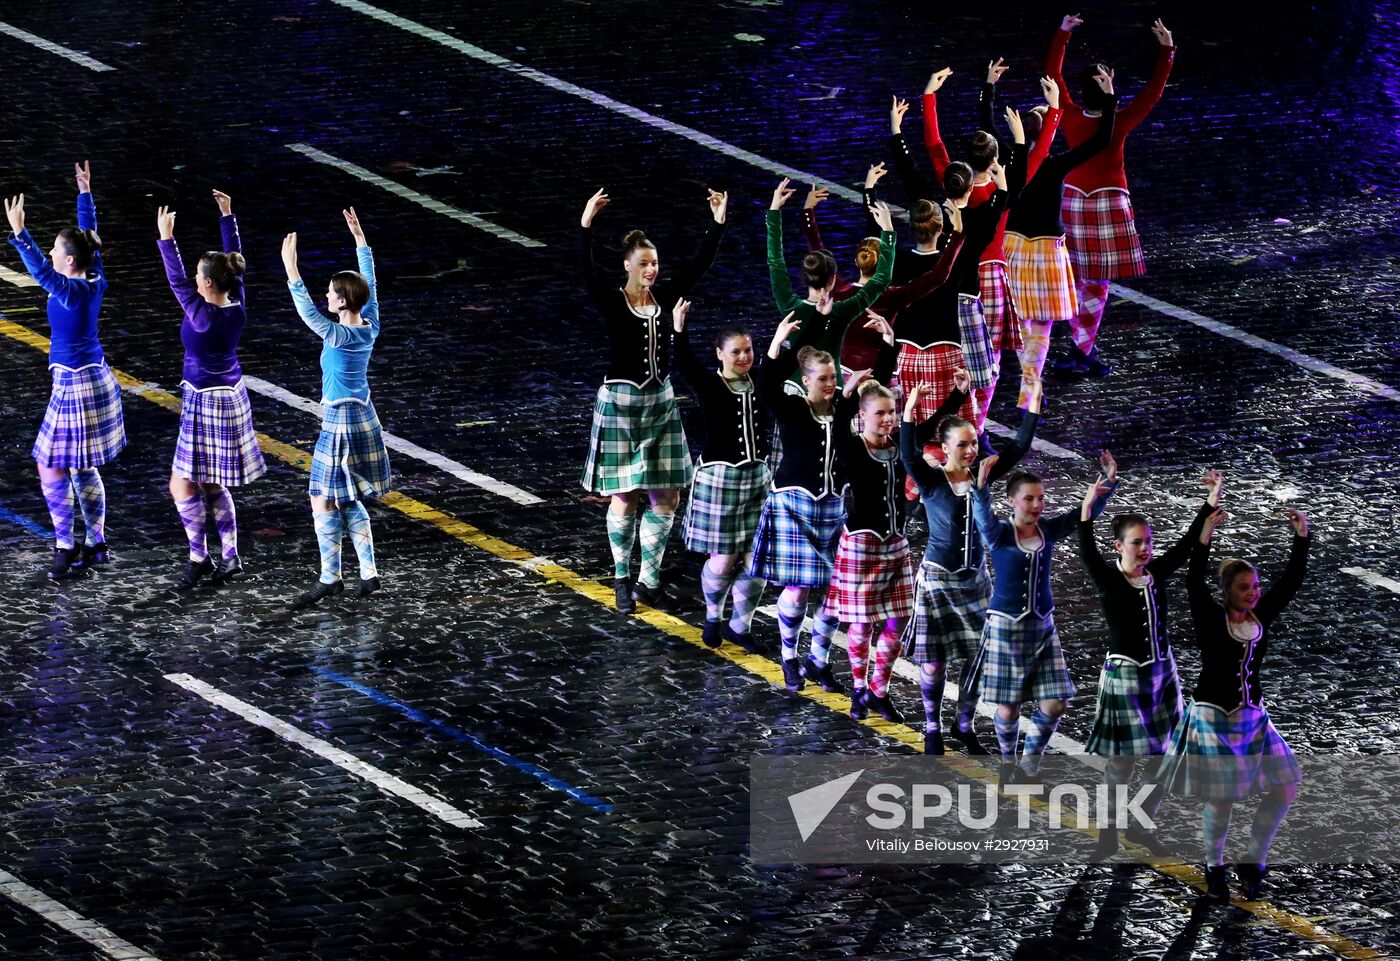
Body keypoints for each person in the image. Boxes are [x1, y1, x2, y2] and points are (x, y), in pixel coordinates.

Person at [578, 187, 727, 613]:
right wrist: (586, 223)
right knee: (625, 497)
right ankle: (622, 577)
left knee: (667, 498)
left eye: (655, 263)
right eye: (644, 263)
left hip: (659, 404)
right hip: (622, 406)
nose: (652, 270)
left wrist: (717, 224)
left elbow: (699, 267)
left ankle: (649, 578)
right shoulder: (613, 299)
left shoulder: (663, 299)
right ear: (627, 265)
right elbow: (584, 272)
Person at [1158, 505, 1311, 903]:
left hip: (1253, 716)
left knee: (1287, 784)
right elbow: (1193, 580)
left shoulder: (1259, 616)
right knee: (1221, 798)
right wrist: (1204, 534)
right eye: (1245, 588)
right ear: (1228, 591)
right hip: (1215, 718)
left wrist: (1301, 536)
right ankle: (1214, 865)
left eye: (1255, 586)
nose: (1254, 592)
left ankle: (1254, 859)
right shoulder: (1211, 618)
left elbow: (1291, 581)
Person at [750, 311, 895, 692]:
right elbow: (766, 386)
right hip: (793, 505)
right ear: (806, 381)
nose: (832, 384)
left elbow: (877, 385)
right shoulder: (792, 408)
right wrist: (776, 345)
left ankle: (819, 659)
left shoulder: (845, 409)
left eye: (834, 377)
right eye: (823, 379)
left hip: (832, 508)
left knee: (834, 591)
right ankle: (789, 657)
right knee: (797, 589)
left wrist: (887, 345)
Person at [1078, 469, 1221, 857]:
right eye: (1137, 543)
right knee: (1121, 764)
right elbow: (1085, 547)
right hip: (1125, 678)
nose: (1145, 549)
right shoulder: (1108, 580)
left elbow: (1187, 545)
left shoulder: (1156, 575)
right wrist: (1088, 508)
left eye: (1148, 542)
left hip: (1162, 675)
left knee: (1165, 759)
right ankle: (1108, 828)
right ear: (1118, 547)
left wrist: (1210, 500)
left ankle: (1141, 822)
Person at [901, 375, 1042, 754]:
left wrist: (1033, 401)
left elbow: (1019, 445)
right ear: (945, 447)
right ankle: (932, 727)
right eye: (962, 444)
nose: (970, 450)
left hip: (975, 580)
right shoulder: (931, 481)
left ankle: (963, 723)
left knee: (979, 659)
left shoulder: (984, 474)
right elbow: (908, 453)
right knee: (933, 664)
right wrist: (911, 412)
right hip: (937, 580)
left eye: (973, 443)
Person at [4, 163, 122, 580]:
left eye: (57, 250)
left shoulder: (70, 290)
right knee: (81, 466)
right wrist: (84, 192)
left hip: (76, 384)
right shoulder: (93, 273)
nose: (52, 255)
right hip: (94, 379)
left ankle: (65, 544)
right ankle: (96, 541)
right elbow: (91, 236)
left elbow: (39, 269)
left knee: (49, 463)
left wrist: (21, 235)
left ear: (68, 262)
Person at [971, 451, 1118, 782]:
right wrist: (980, 487)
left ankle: (1029, 764)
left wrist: (1108, 482)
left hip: (1041, 626)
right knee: (1009, 707)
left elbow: (1084, 514)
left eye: (1040, 498)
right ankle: (1008, 762)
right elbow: (982, 517)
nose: (1037, 504)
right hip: (1007, 628)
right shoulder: (1000, 534)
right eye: (1029, 499)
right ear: (1011, 501)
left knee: (1055, 703)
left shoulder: (1048, 531)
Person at [1047, 14, 1177, 375]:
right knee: (1096, 281)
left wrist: (1063, 34)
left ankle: (1079, 343)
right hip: (1108, 201)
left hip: (1072, 200)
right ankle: (1081, 346)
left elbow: (1053, 77)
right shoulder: (1119, 120)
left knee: (1073, 275)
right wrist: (1167, 49)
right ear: (1108, 88)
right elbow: (1154, 90)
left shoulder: (1070, 117)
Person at [157, 190, 267, 589]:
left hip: (206, 400)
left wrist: (166, 239)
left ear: (204, 283)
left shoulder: (201, 315)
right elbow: (234, 265)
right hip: (230, 395)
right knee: (208, 481)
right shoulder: (236, 300)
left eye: (198, 277)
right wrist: (227, 216)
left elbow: (174, 278)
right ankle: (227, 556)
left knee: (182, 482)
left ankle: (200, 557)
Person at [280, 210, 388, 609]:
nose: (326, 297)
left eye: (331, 293)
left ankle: (330, 578)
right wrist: (360, 238)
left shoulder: (338, 334)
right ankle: (368, 574)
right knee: (345, 497)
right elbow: (370, 285)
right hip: (364, 416)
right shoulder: (369, 324)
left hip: (341, 421)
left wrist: (291, 269)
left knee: (321, 496)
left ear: (342, 302)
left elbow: (306, 310)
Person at [917, 62, 1026, 423]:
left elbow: (934, 145)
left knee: (953, 346)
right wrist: (1023, 136)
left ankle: (955, 413)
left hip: (951, 271)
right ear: (995, 160)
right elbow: (1030, 161)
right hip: (989, 277)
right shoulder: (1001, 192)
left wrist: (930, 96)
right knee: (987, 355)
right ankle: (977, 424)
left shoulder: (953, 182)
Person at [1003, 70, 1116, 414]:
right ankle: (1029, 390)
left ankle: (1029, 384)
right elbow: (1101, 142)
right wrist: (1109, 98)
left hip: (1014, 250)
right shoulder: (1053, 166)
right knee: (1039, 330)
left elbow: (988, 132)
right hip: (1045, 253)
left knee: (1024, 326)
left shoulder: (1009, 165)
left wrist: (989, 91)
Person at [813, 318, 909, 720]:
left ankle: (879, 689)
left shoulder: (901, 444)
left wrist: (889, 345)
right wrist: (850, 395)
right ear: (864, 417)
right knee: (862, 623)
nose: (887, 419)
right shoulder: (852, 448)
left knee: (897, 622)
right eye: (880, 414)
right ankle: (858, 689)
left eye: (891, 413)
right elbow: (839, 419)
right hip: (863, 543)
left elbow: (918, 420)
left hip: (896, 544)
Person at [670, 299, 771, 650]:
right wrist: (679, 329)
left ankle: (739, 627)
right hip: (721, 481)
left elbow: (780, 363)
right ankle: (713, 617)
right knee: (724, 558)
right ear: (720, 354)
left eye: (748, 350)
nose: (744, 357)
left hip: (757, 480)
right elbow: (684, 365)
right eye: (736, 352)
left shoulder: (760, 380)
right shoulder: (710, 385)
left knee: (756, 559)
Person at [801, 172, 966, 377]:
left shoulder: (840, 291)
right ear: (886, 266)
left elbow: (818, 253)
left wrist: (808, 213)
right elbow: (939, 275)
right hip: (879, 376)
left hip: (843, 375)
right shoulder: (892, 297)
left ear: (857, 262)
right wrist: (957, 231)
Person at [767, 179, 895, 385]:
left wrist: (774, 211)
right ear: (833, 280)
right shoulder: (842, 312)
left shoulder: (790, 307)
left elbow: (775, 261)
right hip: (832, 391)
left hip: (796, 390)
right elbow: (881, 280)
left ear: (805, 277)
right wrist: (888, 231)